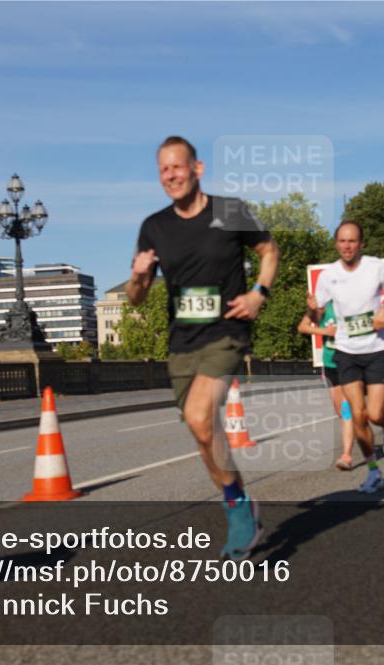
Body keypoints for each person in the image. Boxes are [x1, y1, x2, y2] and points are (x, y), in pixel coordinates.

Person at [128, 136, 279, 561]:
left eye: (177, 167)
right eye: (163, 170)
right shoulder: (154, 227)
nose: (170, 176)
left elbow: (269, 250)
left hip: (226, 333)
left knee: (199, 415)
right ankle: (240, 503)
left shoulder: (229, 211)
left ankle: (236, 516)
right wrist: (139, 276)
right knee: (201, 432)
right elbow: (137, 297)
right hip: (182, 343)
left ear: (198, 168)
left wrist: (258, 294)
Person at [308, 220, 384, 493]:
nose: (347, 246)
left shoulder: (376, 267)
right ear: (336, 243)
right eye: (342, 241)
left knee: (374, 413)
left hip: (375, 350)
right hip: (346, 352)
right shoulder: (328, 276)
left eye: (352, 241)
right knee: (357, 415)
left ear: (361, 244)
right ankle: (373, 471)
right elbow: (317, 314)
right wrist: (313, 309)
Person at [297, 300, 356, 470]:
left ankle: (346, 455)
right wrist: (324, 330)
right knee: (340, 411)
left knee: (346, 410)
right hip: (331, 364)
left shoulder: (352, 303)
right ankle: (355, 426)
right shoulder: (324, 308)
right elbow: (303, 327)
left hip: (350, 363)